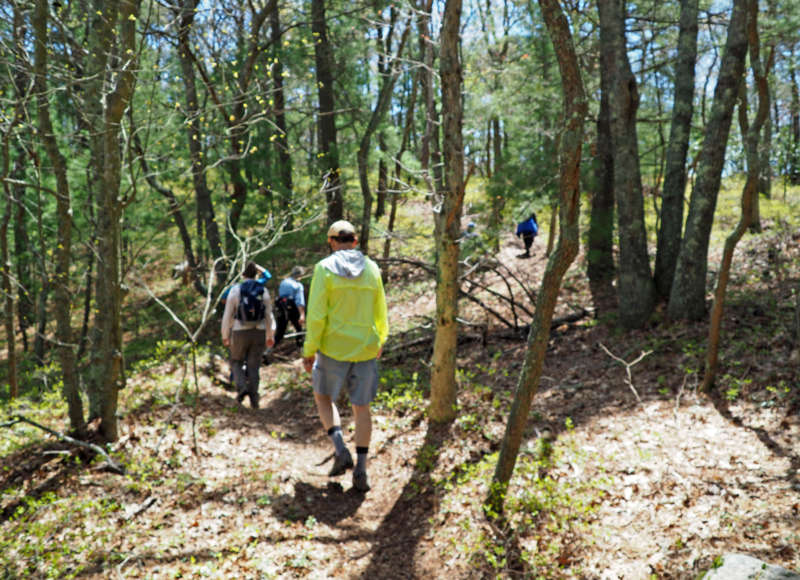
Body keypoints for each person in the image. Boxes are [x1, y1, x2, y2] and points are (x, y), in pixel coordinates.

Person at [302, 220, 388, 492]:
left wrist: (309, 350)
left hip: (332, 349)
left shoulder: (324, 269)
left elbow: (316, 315)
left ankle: (340, 449)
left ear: (331, 242)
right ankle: (361, 470)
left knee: (323, 397)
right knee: (361, 408)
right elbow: (381, 310)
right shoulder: (372, 269)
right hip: (365, 348)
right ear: (355, 241)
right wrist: (381, 339)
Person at [221, 261, 275, 408]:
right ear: (256, 274)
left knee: (236, 360)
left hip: (239, 331)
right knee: (254, 366)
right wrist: (270, 335)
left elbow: (227, 315)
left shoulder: (235, 290)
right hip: (259, 331)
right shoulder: (262, 290)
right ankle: (254, 400)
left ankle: (241, 387)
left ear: (243, 274)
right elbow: (269, 315)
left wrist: (225, 335)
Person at [274, 265, 306, 347]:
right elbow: (300, 302)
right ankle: (301, 349)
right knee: (299, 329)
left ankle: (268, 351)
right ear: (299, 275)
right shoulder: (298, 285)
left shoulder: (284, 282)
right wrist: (302, 315)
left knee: (280, 331)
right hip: (293, 309)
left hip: (282, 309)